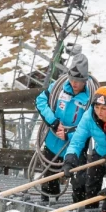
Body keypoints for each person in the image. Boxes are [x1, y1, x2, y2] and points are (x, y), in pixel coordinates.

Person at [34, 58, 92, 200]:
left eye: (78, 81)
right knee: (48, 181)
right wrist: (53, 121)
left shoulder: (91, 97)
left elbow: (91, 125)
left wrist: (69, 134)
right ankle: (48, 204)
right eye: (72, 79)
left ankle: (79, 207)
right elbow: (40, 101)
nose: (74, 84)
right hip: (53, 141)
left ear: (85, 80)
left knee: (79, 183)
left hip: (76, 146)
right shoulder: (57, 87)